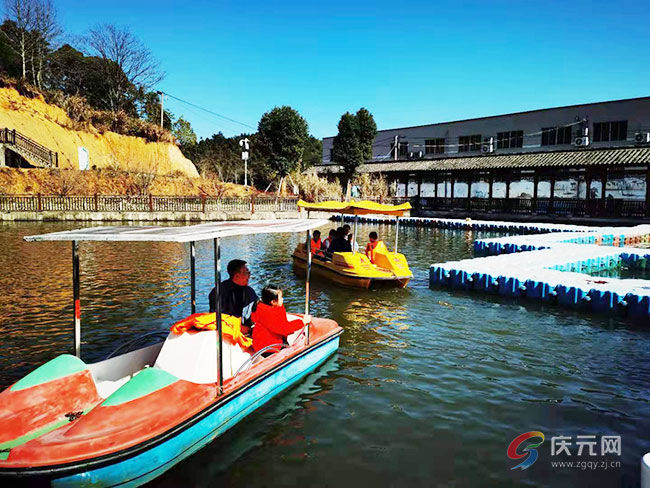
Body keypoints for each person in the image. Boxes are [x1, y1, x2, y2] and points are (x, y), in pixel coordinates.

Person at [251, 285, 311, 355]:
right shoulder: (267, 313)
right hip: (267, 347)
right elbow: (283, 328)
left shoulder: (274, 306)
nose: (283, 299)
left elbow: (282, 323)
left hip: (275, 339)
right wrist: (302, 322)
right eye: (281, 297)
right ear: (273, 301)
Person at [208, 259, 258, 334]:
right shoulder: (219, 292)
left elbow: (257, 311)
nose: (249, 275)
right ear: (236, 275)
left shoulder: (250, 292)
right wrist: (238, 327)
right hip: (226, 332)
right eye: (246, 272)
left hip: (248, 331)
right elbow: (216, 317)